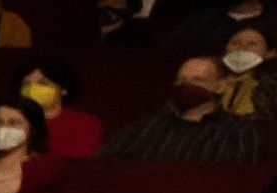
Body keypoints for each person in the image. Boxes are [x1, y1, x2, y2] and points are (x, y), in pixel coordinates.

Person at [107, 54, 259, 161]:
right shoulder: (149, 124)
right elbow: (107, 161)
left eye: (197, 80)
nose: (187, 85)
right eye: (182, 80)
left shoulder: (238, 128)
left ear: (220, 86)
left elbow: (238, 174)